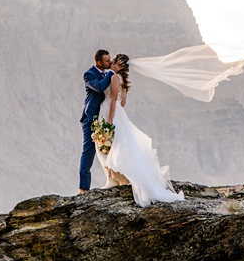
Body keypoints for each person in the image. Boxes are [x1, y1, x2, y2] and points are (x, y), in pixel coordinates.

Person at [96, 53, 184, 207]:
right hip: (118, 113)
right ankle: (115, 178)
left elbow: (115, 99)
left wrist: (109, 119)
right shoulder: (122, 80)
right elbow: (122, 103)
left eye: (113, 60)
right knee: (114, 145)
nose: (110, 62)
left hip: (110, 114)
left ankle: (113, 179)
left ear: (119, 63)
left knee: (105, 145)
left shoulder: (114, 78)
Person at [78, 49, 114, 194]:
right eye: (107, 61)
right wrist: (112, 72)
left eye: (110, 59)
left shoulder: (110, 74)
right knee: (89, 152)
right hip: (91, 119)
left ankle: (116, 180)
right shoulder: (89, 74)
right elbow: (99, 87)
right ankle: (83, 188)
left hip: (105, 119)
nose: (110, 62)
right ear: (99, 63)